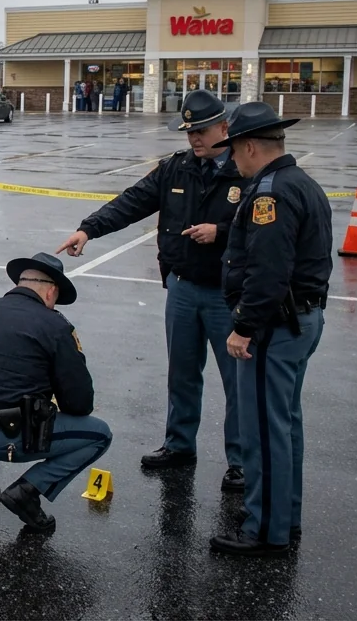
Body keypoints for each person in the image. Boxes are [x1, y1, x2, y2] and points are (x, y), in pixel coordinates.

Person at [57, 90, 250, 490]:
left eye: (201, 130)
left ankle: (242, 461)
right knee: (182, 373)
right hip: (182, 288)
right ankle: (179, 444)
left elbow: (265, 230)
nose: (194, 139)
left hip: (226, 294)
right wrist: (88, 228)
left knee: (238, 380)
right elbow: (132, 201)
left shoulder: (246, 173)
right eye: (189, 132)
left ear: (224, 127)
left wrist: (222, 232)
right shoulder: (176, 168)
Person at [209, 101, 331, 557]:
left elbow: (268, 271)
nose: (231, 162)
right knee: (283, 426)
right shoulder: (301, 183)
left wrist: (243, 327)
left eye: (234, 152)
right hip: (300, 319)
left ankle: (266, 531)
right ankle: (283, 517)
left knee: (262, 429)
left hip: (274, 327)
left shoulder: (269, 194)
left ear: (250, 146)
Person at [0, 253, 111, 532]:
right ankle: (28, 491)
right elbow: (80, 403)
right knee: (100, 435)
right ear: (51, 291)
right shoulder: (55, 325)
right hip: (8, 437)